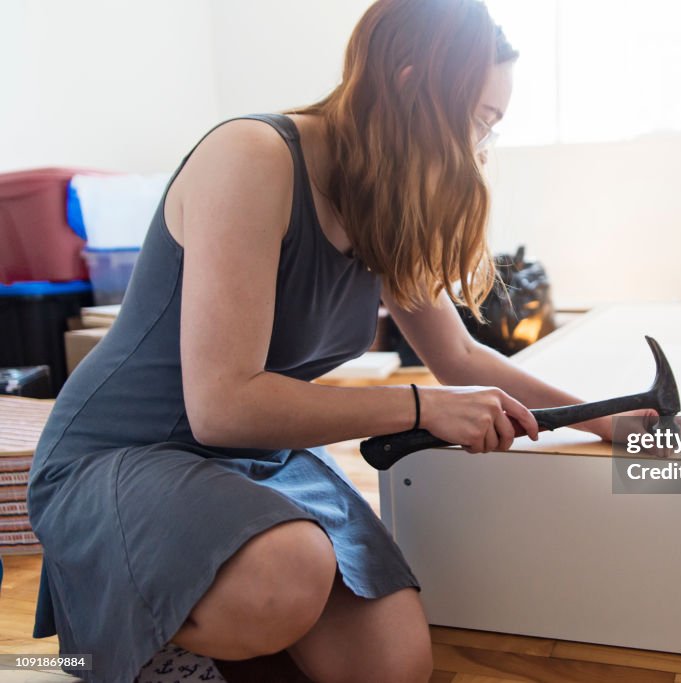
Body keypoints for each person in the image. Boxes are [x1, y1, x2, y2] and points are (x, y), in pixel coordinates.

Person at [27, 1, 646, 681]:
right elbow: (222, 405)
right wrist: (418, 407)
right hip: (123, 453)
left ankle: (207, 625)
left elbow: (461, 359)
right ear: (410, 85)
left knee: (393, 665)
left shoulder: (386, 197)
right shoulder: (253, 157)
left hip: (252, 457)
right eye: (479, 123)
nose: (477, 150)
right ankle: (133, 629)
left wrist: (609, 418)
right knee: (286, 574)